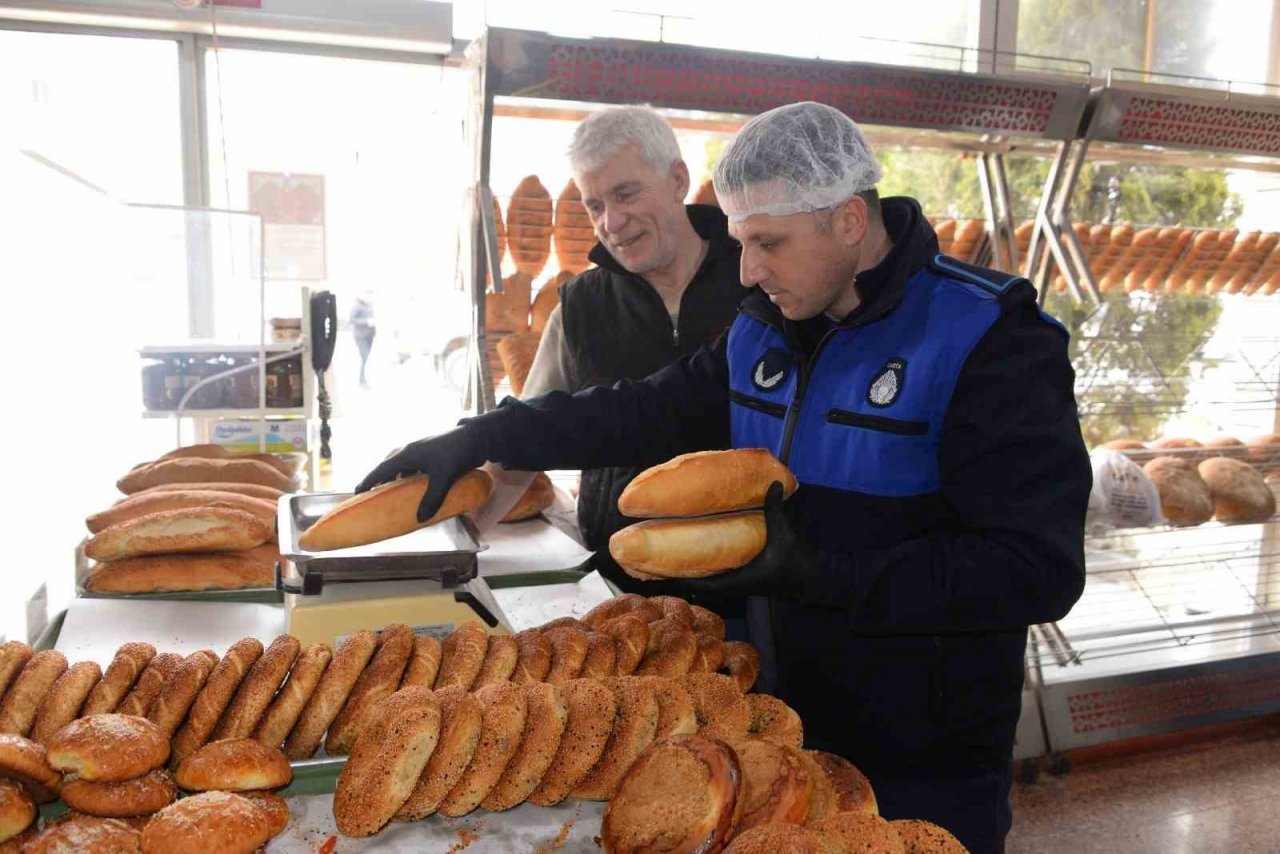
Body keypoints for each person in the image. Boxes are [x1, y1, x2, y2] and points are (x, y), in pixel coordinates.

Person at [357, 102, 1090, 853]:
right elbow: (641, 409)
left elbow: (1039, 569)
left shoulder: (988, 337)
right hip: (780, 726)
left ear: (847, 220)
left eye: (768, 243)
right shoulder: (765, 328)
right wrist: (483, 435)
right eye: (741, 243)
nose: (747, 270)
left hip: (923, 756)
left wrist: (819, 566)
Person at [520, 105, 746, 585]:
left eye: (625, 194)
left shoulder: (758, 284)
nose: (612, 222)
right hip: (617, 583)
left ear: (678, 180)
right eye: (594, 206)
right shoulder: (578, 309)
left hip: (751, 583)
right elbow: (525, 439)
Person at [349, 290, 376, 389]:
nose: (370, 298)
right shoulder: (357, 305)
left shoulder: (370, 306)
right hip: (360, 336)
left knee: (366, 358)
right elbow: (352, 320)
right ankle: (363, 381)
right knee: (365, 357)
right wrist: (366, 321)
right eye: (368, 296)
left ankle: (364, 380)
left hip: (369, 335)